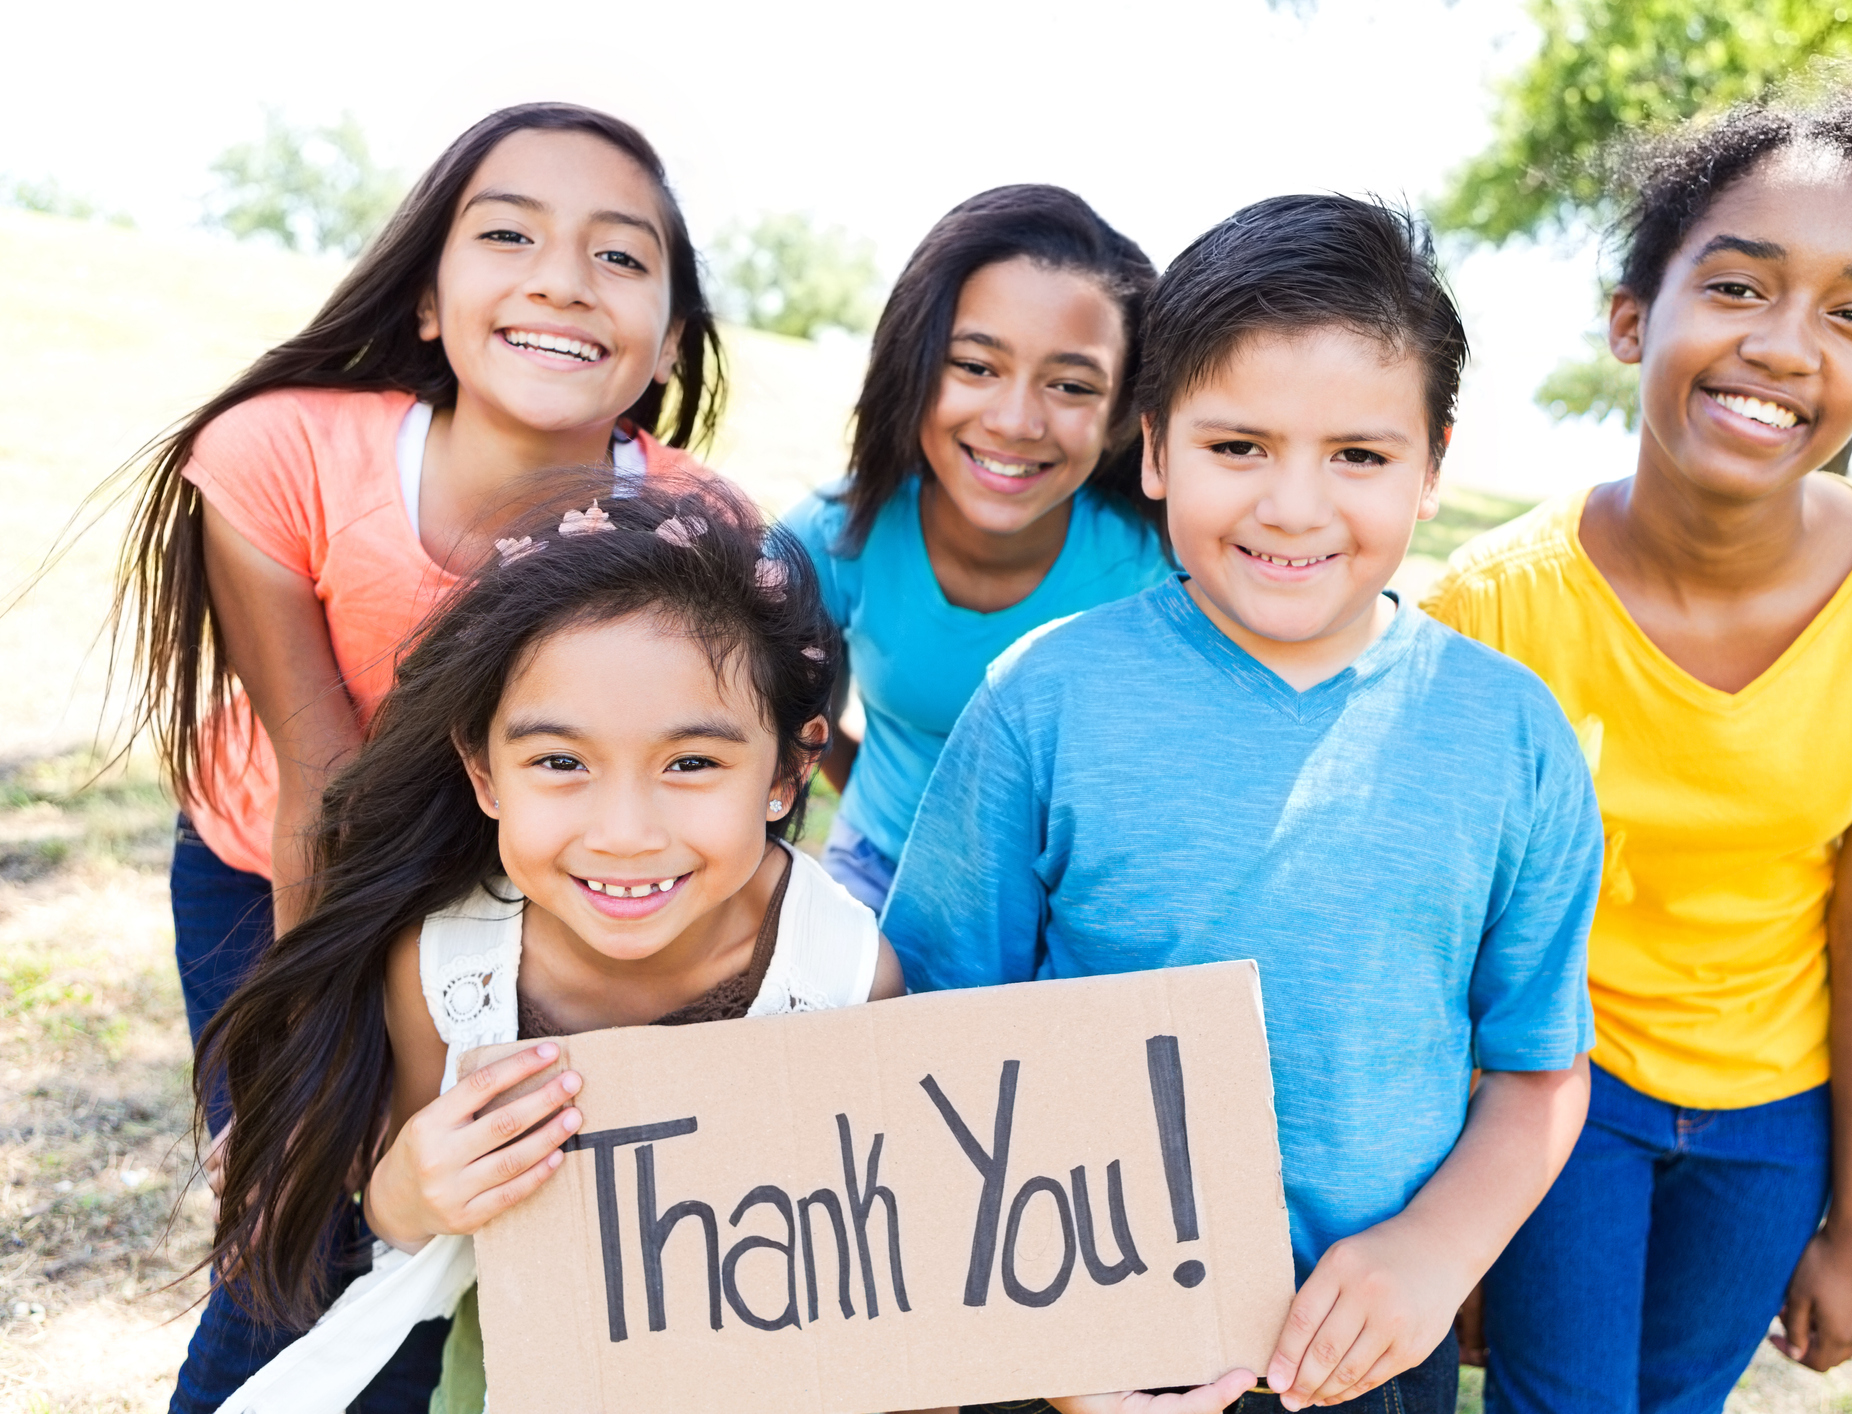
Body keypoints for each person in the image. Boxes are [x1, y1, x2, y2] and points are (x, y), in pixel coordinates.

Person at [883, 195, 1605, 1414]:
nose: (1294, 507)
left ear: (1432, 463)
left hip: (1363, 1351)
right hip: (1071, 1342)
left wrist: (1435, 1256)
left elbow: (1539, 1072)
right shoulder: (1044, 699)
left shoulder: (1511, 735)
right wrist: (1032, 1334)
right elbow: (932, 1035)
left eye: (1360, 457)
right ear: (1156, 450)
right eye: (1240, 447)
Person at [111, 102, 730, 1412]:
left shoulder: (696, 530)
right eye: (509, 235)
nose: (564, 276)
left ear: (667, 339)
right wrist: (301, 1099)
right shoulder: (280, 452)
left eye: (621, 256)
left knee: (451, 1219)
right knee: (300, 1230)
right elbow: (325, 802)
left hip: (516, 899)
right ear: (431, 303)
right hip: (272, 868)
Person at [1421, 57, 1852, 1414]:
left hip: (1774, 1121)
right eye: (1739, 285)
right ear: (1634, 320)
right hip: (1560, 1090)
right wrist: (1447, 1217)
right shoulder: (1491, 609)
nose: (1786, 347)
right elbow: (1453, 945)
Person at [195, 476, 902, 1414]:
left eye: (691, 763)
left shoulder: (845, 978)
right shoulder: (447, 965)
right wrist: (405, 1193)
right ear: (484, 771)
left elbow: (868, 1259)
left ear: (788, 770)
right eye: (560, 763)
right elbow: (400, 1209)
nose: (622, 832)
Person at [780, 185, 1172, 912]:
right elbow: (788, 731)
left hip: (1083, 904)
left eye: (1069, 384)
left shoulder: (1160, 567)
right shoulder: (831, 540)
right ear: (915, 367)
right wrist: (886, 817)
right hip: (879, 876)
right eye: (976, 366)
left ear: (1122, 414)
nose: (1017, 420)